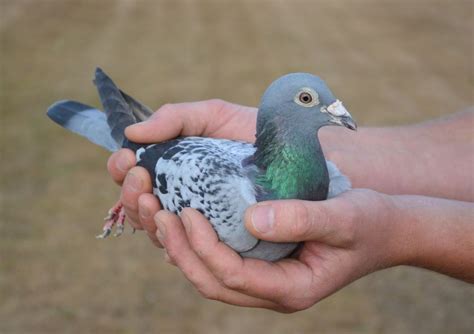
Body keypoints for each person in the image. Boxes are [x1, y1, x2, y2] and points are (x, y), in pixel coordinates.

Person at [107, 99, 474, 312]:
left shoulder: (327, 176)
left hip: (200, 157)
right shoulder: (235, 200)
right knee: (148, 179)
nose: (336, 109)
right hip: (176, 161)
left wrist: (400, 232)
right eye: (307, 100)